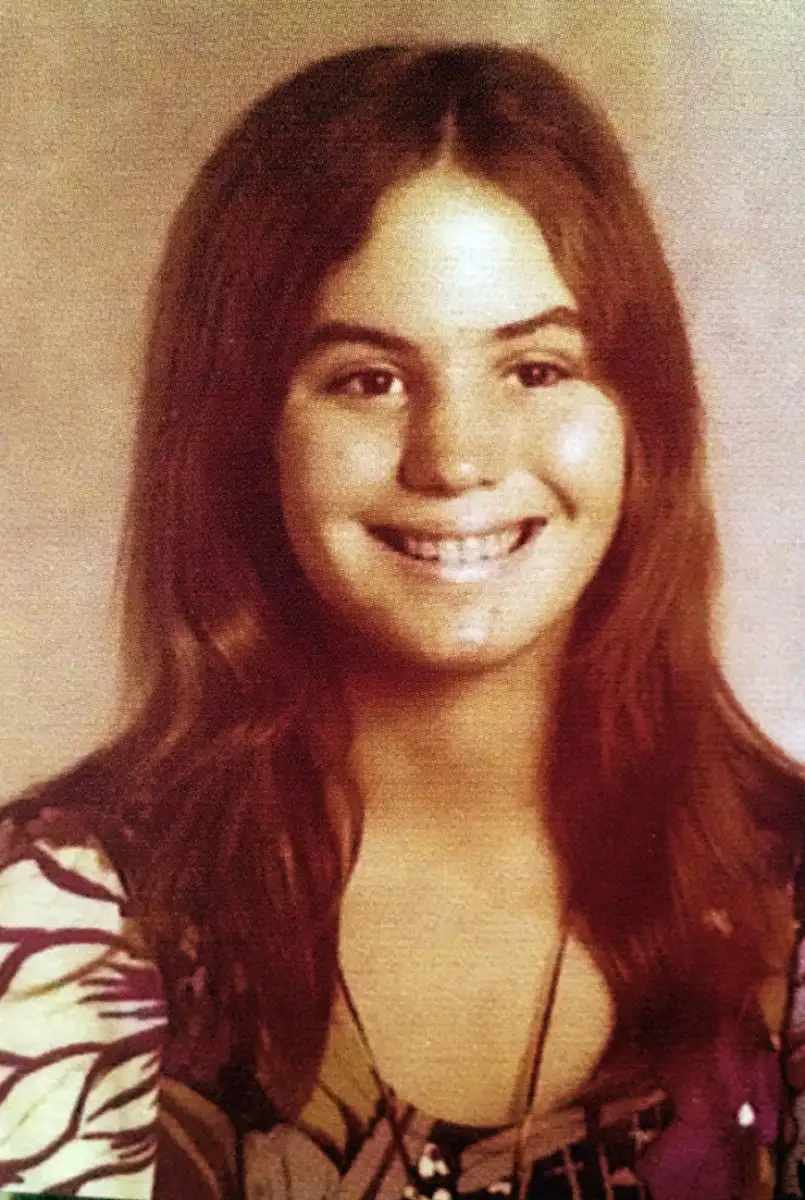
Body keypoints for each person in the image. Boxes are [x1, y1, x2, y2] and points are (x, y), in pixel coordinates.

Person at [1, 42, 803, 1200]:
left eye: (534, 369)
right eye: (368, 379)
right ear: (241, 439)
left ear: (643, 420)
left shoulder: (789, 895)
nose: (456, 458)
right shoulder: (66, 920)